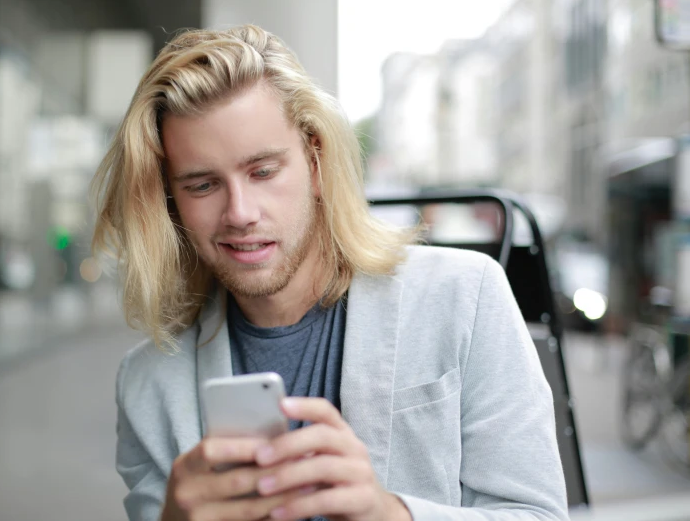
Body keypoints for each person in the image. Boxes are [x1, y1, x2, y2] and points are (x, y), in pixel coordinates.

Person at [92, 25, 568, 521]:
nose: (239, 212)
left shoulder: (465, 297)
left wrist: (389, 514)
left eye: (263, 172)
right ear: (170, 204)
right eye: (203, 184)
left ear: (316, 161)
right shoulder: (148, 383)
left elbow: (537, 514)